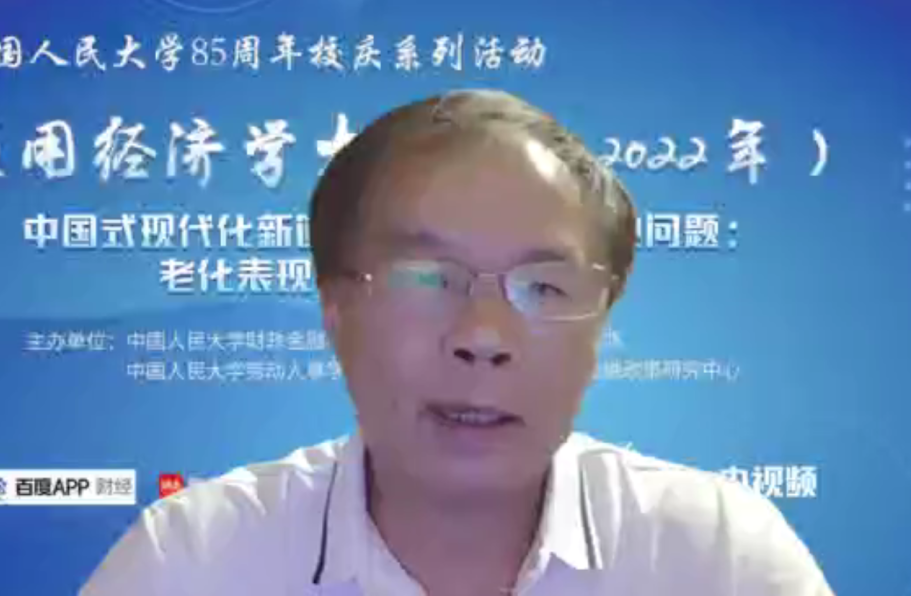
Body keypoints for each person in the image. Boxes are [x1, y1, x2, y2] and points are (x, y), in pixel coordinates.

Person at [79, 89, 834, 596]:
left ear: (602, 321)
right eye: (427, 280)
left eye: (543, 289)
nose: (482, 338)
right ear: (334, 308)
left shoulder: (719, 560)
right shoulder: (194, 564)